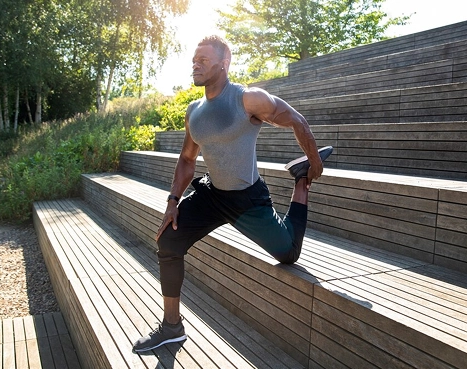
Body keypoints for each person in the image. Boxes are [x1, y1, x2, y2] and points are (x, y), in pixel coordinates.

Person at [132, 35, 332, 353]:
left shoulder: (248, 99)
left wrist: (315, 163)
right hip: (213, 194)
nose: (196, 64)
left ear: (224, 65)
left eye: (204, 60)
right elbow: (186, 159)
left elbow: (297, 119)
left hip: (247, 199)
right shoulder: (194, 112)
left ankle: (300, 182)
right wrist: (173, 200)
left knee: (288, 254)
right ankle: (172, 327)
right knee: (168, 239)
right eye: (194, 60)